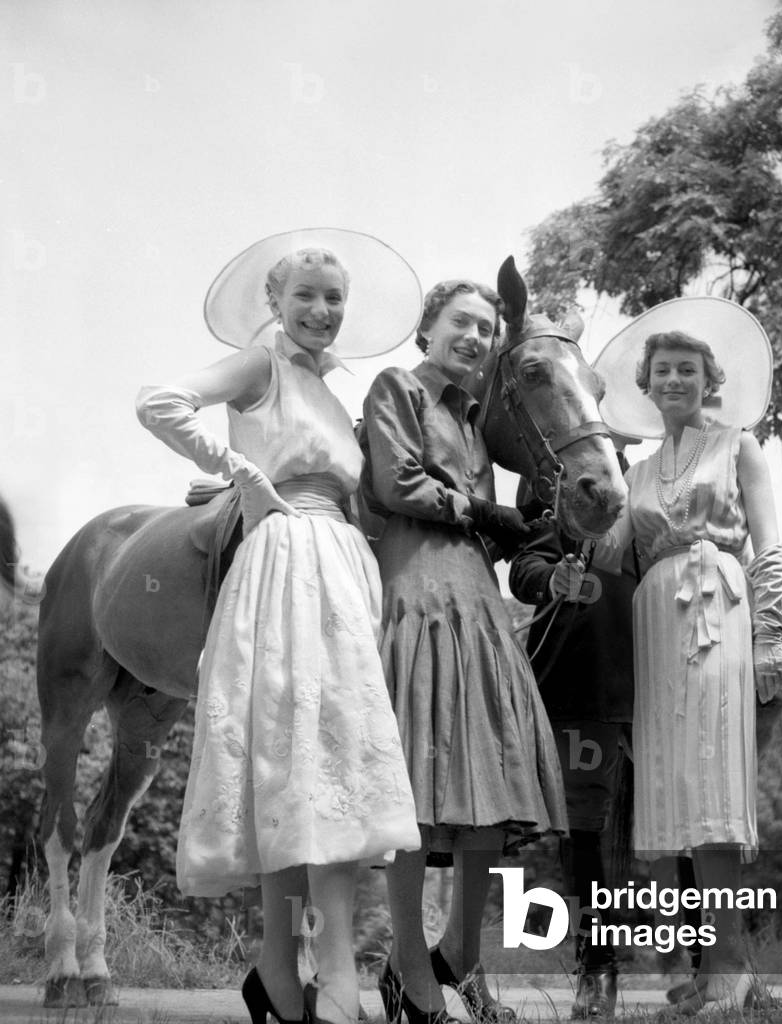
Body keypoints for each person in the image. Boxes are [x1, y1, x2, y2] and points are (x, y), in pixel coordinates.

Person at [136, 234, 422, 1024]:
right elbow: (158, 402)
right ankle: (332, 980)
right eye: (306, 296)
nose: (322, 311)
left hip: (341, 564)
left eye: (333, 298)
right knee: (296, 756)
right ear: (275, 301)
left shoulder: (342, 388)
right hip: (285, 558)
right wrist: (242, 475)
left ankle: (282, 974)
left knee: (330, 764)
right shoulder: (259, 365)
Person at [359, 279, 568, 1024]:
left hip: (478, 601)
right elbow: (395, 483)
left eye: (486, 328)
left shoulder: (480, 423)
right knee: (418, 791)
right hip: (417, 592)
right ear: (427, 328)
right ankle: (409, 970)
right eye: (461, 323)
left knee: (489, 785)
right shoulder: (398, 389)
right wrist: (478, 508)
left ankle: (463, 956)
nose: (475, 337)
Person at [592, 310, 782, 1015]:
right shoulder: (635, 470)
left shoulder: (739, 446)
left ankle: (729, 963)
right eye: (663, 370)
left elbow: (767, 545)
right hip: (652, 618)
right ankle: (688, 965)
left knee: (711, 789)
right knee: (667, 791)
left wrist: (768, 637)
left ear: (710, 381)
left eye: (688, 369)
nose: (674, 378)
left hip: (718, 608)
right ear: (645, 384)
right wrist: (584, 465)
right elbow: (604, 553)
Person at [508, 435, 638, 1020]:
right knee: (583, 830)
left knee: (669, 825)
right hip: (577, 680)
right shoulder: (550, 491)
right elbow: (525, 565)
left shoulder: (648, 492)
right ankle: (597, 963)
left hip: (653, 671)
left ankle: (704, 966)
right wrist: (550, 580)